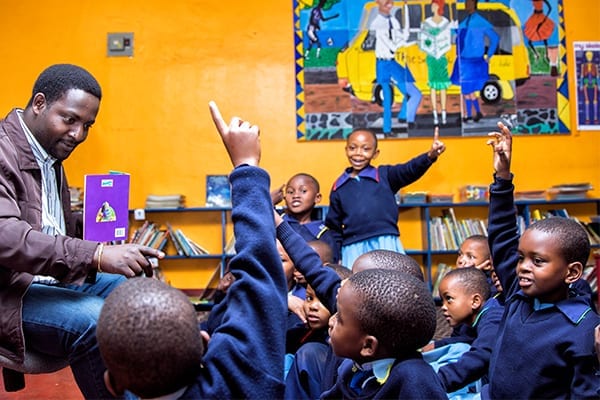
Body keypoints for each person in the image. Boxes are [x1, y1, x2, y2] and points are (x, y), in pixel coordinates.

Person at [97, 101, 289, 398]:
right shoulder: (241, 379)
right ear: (204, 344)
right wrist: (246, 167)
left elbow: (258, 282)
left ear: (112, 385)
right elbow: (260, 273)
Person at [0, 63, 164, 399]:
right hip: (9, 290)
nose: (78, 134)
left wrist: (98, 229)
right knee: (95, 319)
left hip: (41, 279)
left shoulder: (48, 157)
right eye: (70, 119)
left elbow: (45, 227)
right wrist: (97, 254)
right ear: (40, 103)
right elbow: (6, 236)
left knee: (132, 292)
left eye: (87, 125)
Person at [482, 121, 600, 398]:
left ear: (572, 273)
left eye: (538, 261)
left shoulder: (582, 327)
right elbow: (501, 237)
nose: (523, 267)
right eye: (522, 258)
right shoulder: (518, 294)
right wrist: (502, 178)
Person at [325, 127, 445, 269]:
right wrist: (336, 257)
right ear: (346, 150)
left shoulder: (385, 175)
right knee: (356, 287)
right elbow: (334, 228)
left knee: (392, 283)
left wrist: (429, 156)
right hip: (353, 247)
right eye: (352, 148)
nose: (358, 153)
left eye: (365, 149)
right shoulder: (338, 187)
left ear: (375, 154)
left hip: (385, 241)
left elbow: (409, 169)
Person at [321, 269, 447, 399]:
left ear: (368, 346)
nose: (331, 321)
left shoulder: (415, 380)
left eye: (339, 319)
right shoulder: (351, 367)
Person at [427, 267, 504, 397]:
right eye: (442, 301)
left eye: (449, 299)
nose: (443, 307)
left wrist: (438, 381)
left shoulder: (493, 318)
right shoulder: (477, 318)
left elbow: (481, 356)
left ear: (475, 301)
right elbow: (465, 339)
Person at [371, 0, 422, 136]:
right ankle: (387, 130)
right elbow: (393, 46)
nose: (389, 3)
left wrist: (406, 8)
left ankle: (403, 116)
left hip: (392, 62)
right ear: (378, 3)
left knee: (411, 92)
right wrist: (406, 43)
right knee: (387, 98)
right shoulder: (376, 23)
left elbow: (403, 36)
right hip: (382, 64)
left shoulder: (393, 21)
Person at [450, 0, 499, 124]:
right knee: (468, 90)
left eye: (469, 2)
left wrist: (489, 55)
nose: (467, 5)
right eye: (466, 2)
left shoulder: (480, 21)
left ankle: (469, 115)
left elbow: (495, 38)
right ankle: (474, 113)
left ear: (475, 4)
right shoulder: (465, 21)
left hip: (473, 62)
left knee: (467, 90)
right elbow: (456, 32)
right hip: (463, 61)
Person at [282, 172, 338, 262]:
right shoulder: (278, 221)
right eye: (290, 192)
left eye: (303, 191)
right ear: (284, 198)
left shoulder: (322, 233)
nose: (295, 196)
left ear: (317, 198)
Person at [419, 0, 453, 126]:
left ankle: (444, 113)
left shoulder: (445, 22)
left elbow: (447, 40)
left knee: (443, 86)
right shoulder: (426, 23)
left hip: (441, 57)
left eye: (434, 4)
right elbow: (423, 40)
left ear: (439, 6)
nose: (432, 7)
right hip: (432, 58)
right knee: (433, 86)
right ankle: (435, 114)